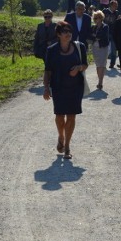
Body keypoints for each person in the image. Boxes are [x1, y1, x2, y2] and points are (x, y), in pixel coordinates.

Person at [43, 21, 88, 160]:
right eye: (65, 31)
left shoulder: (80, 46)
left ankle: (67, 146)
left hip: (75, 87)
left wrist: (79, 68)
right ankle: (61, 136)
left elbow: (85, 64)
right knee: (59, 116)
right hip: (58, 87)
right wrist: (46, 88)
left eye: (70, 31)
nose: (68, 34)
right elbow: (48, 71)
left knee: (72, 116)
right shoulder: (51, 50)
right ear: (58, 34)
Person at [89, 10, 110, 90]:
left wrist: (95, 36)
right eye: (95, 18)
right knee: (98, 65)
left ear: (101, 18)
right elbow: (90, 36)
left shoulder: (105, 26)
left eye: (98, 17)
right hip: (95, 48)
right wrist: (95, 36)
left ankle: (100, 82)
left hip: (103, 47)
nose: (96, 19)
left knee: (102, 64)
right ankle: (99, 79)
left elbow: (102, 35)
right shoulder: (93, 27)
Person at [102, 0, 120, 69]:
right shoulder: (105, 11)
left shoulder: (117, 13)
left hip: (113, 33)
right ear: (111, 5)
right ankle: (103, 63)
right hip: (105, 32)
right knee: (104, 48)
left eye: (117, 6)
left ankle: (112, 63)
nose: (116, 7)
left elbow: (118, 22)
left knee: (113, 49)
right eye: (115, 5)